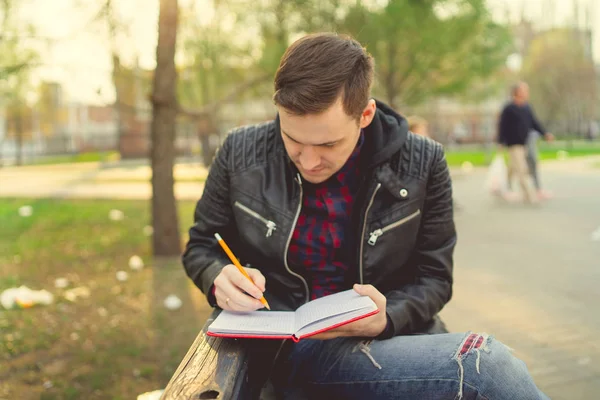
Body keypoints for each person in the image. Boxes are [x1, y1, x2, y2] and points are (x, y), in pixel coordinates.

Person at [183, 33, 549, 399]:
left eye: (328, 144)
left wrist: (389, 315)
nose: (309, 161)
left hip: (385, 343)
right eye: (292, 139)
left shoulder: (423, 163)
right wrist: (218, 277)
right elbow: (202, 244)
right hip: (277, 348)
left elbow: (435, 277)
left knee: (487, 367)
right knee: (487, 372)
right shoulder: (240, 151)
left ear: (365, 115)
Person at [497, 82, 554, 203]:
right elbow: (502, 125)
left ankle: (502, 188)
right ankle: (529, 195)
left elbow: (534, 123)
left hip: (524, 143)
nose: (527, 93)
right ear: (517, 92)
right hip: (513, 144)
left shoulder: (527, 107)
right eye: (524, 90)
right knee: (521, 169)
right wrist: (500, 141)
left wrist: (545, 134)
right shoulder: (509, 108)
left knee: (512, 168)